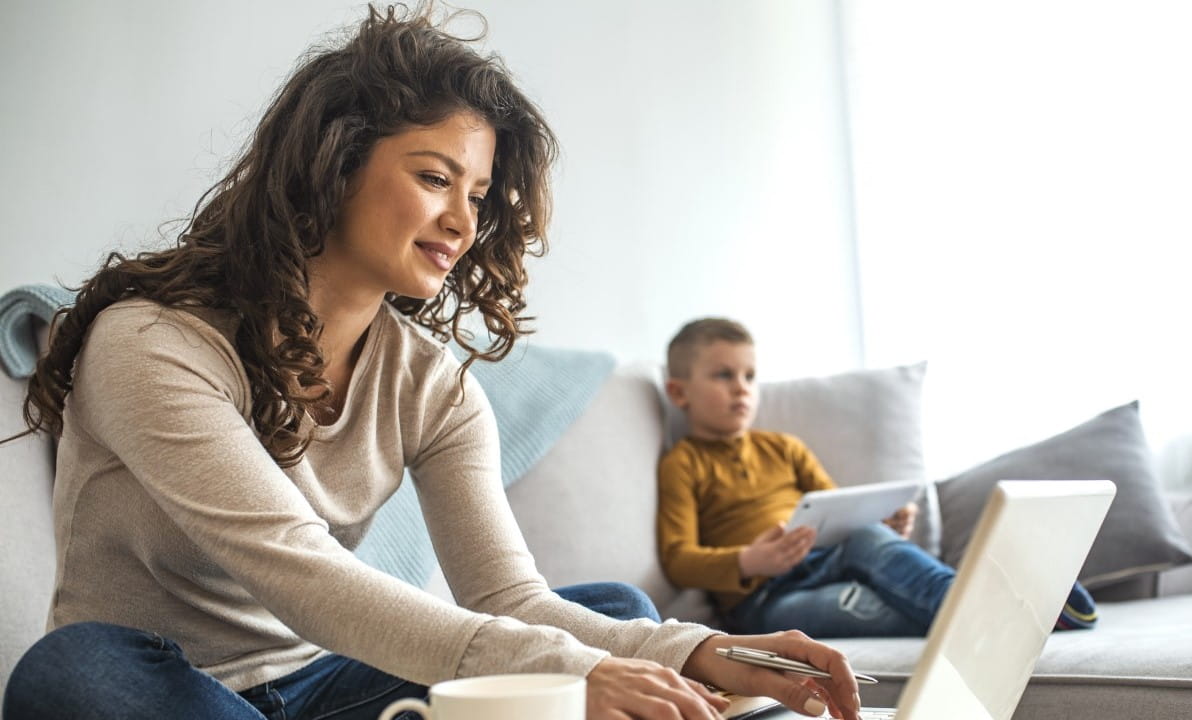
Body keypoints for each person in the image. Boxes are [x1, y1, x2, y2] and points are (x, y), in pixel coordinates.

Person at [0, 5, 864, 720]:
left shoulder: (431, 383)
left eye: (478, 195)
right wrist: (565, 680)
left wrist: (709, 649)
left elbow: (512, 602)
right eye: (433, 177)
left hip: (327, 684)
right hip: (165, 688)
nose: (461, 220)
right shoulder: (153, 344)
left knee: (616, 616)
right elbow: (297, 566)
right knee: (73, 672)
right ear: (333, 166)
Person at [657, 318, 1098, 638]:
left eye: (750, 376)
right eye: (724, 375)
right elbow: (677, 558)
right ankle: (1018, 611)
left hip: (829, 559)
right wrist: (748, 562)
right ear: (679, 392)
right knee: (869, 606)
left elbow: (838, 512)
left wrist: (880, 523)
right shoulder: (683, 463)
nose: (742, 388)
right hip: (763, 602)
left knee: (868, 536)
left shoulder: (782, 447)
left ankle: (999, 608)